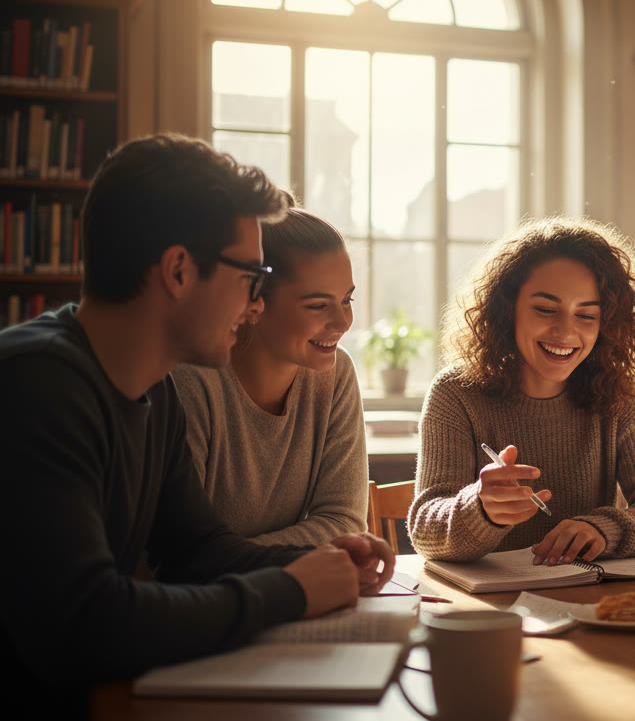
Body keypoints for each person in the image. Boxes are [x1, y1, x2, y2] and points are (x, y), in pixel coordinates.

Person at [0, 134, 394, 708]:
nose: (256, 304)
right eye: (249, 278)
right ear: (180, 271)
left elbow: (199, 550)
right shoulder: (36, 386)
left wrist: (322, 562)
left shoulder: (151, 389)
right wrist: (289, 588)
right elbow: (85, 623)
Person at [408, 216, 635, 565]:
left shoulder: (621, 395)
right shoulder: (456, 392)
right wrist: (482, 509)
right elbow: (426, 531)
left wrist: (604, 529)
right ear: (505, 309)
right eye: (545, 310)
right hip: (493, 609)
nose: (565, 332)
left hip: (591, 598)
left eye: (586, 316)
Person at [173, 208, 367, 545]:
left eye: (346, 300)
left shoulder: (336, 373)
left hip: (278, 589)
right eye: (318, 306)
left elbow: (344, 521)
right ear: (253, 304)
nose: (342, 324)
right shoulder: (191, 382)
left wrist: (232, 558)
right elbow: (182, 552)